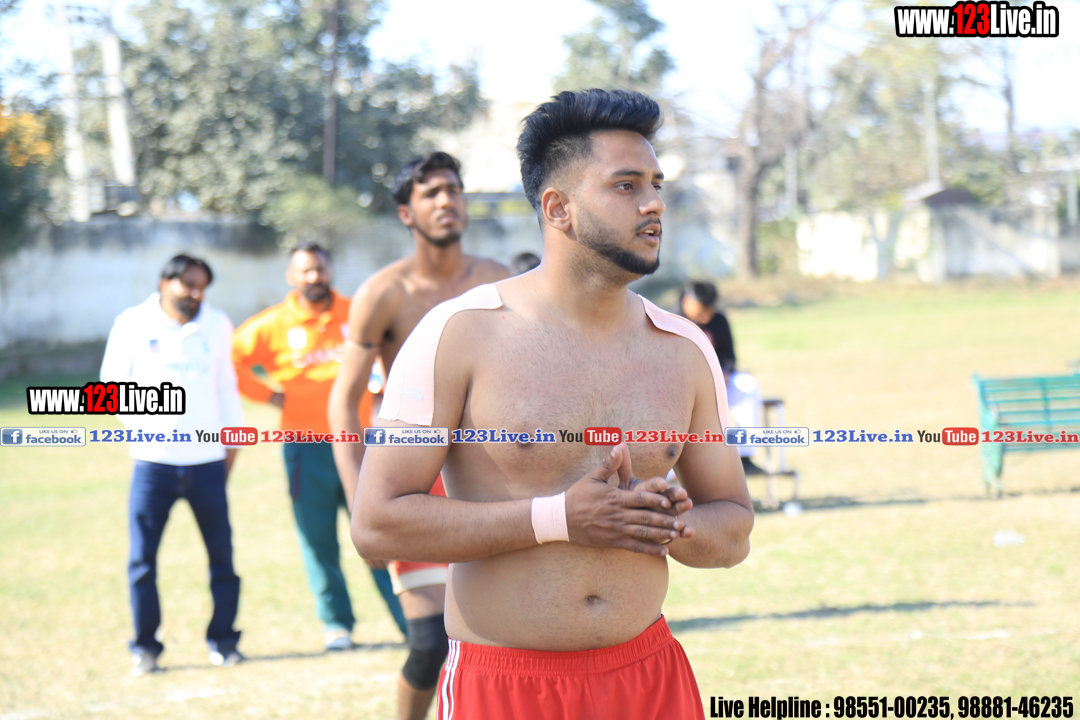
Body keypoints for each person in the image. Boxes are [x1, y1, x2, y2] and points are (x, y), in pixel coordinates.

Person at [352, 89, 753, 719]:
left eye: (656, 184)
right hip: (504, 688)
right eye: (625, 185)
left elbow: (733, 529)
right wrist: (557, 519)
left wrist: (670, 524)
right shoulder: (458, 334)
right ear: (557, 207)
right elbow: (377, 524)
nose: (653, 203)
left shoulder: (684, 348)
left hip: (649, 680)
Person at [328, 151, 509, 720]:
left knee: (501, 639)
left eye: (453, 189)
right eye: (431, 193)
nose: (446, 201)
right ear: (406, 213)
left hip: (491, 480)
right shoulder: (383, 293)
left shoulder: (499, 282)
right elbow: (344, 403)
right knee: (431, 645)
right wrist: (362, 502)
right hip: (415, 478)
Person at [232, 242, 406, 651]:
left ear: (331, 271)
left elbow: (394, 348)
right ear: (291, 276)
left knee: (378, 532)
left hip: (361, 444)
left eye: (320, 269)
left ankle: (410, 621)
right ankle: (337, 625)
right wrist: (269, 395)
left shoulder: (356, 313)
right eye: (305, 271)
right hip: (305, 448)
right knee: (318, 539)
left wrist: (383, 390)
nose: (314, 277)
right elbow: (231, 358)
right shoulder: (273, 324)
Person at [100, 254, 245, 676]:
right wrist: (146, 431)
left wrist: (231, 445)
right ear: (165, 283)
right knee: (142, 562)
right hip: (153, 466)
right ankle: (145, 648)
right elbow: (111, 386)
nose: (196, 294)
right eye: (188, 285)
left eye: (202, 287)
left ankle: (224, 641)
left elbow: (226, 388)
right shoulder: (132, 322)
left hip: (207, 463)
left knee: (222, 558)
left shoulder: (217, 323)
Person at [680, 280, 764, 474]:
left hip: (719, 382)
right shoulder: (669, 320)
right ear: (687, 302)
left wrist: (724, 371)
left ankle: (744, 456)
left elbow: (729, 357)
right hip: (683, 386)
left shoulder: (719, 320)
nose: (706, 316)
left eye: (710, 310)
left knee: (747, 385)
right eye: (701, 310)